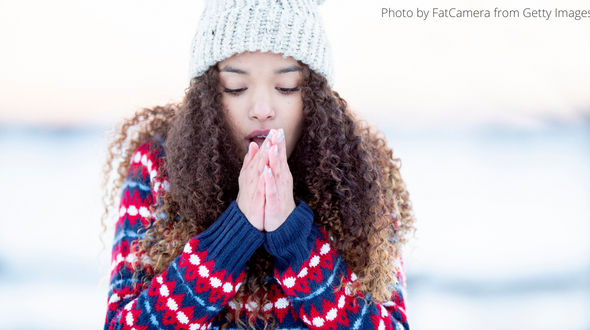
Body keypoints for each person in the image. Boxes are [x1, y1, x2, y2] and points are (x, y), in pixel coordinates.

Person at [101, 1, 415, 329]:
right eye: (236, 89)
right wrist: (232, 235)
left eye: (286, 87)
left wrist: (295, 238)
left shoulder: (358, 175)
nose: (262, 109)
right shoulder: (158, 169)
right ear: (207, 96)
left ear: (315, 96)